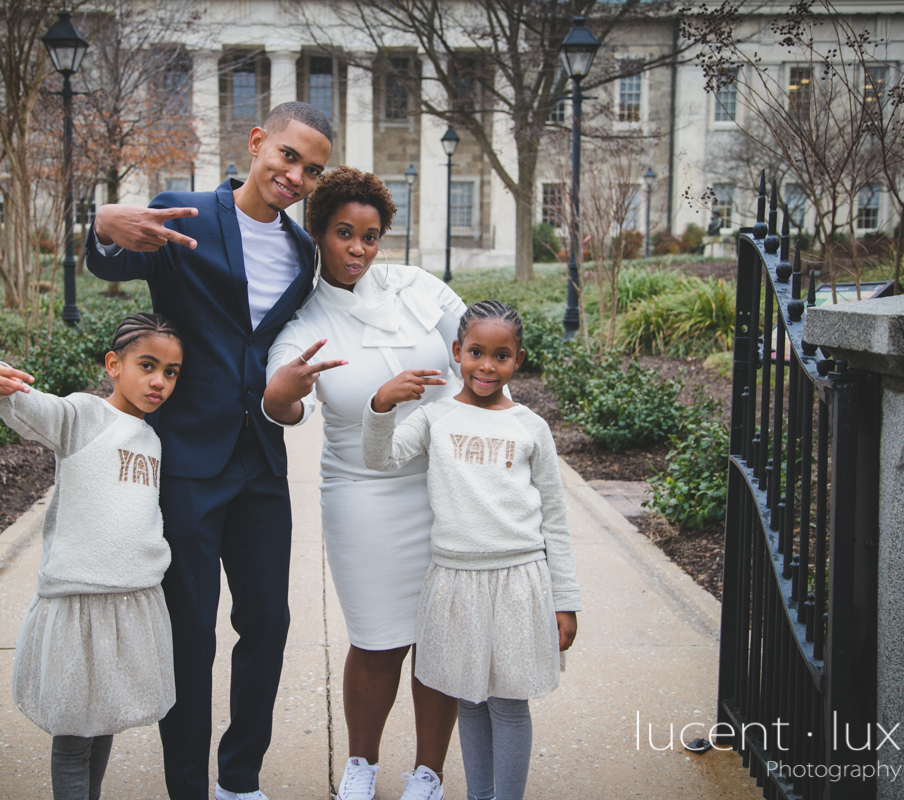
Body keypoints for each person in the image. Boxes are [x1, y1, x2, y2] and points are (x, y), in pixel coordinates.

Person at [85, 102, 334, 800]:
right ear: (257, 143)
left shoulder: (303, 251)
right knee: (189, 633)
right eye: (287, 156)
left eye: (311, 170)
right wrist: (102, 222)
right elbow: (113, 254)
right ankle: (187, 787)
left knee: (268, 622)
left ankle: (240, 779)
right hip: (188, 458)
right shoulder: (184, 213)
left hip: (262, 457)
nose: (295, 176)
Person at [263, 166, 466, 800]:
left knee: (440, 636)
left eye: (372, 236)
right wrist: (284, 394)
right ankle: (361, 763)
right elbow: (283, 403)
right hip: (363, 491)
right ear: (318, 233)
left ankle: (428, 771)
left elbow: (484, 361)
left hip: (444, 485)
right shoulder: (301, 320)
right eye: (345, 234)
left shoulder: (418, 289)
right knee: (377, 639)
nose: (358, 248)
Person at [360, 301, 582, 800]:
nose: (487, 366)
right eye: (476, 353)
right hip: (455, 579)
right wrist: (381, 405)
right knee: (469, 702)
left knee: (507, 703)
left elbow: (556, 520)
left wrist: (565, 599)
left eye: (501, 356)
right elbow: (380, 458)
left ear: (517, 360)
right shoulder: (435, 417)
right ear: (457, 352)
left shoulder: (531, 427)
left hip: (519, 580)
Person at [0, 313, 183, 800]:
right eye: (147, 365)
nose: (159, 381)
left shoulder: (152, 438)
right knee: (73, 735)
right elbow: (28, 408)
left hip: (131, 597)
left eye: (170, 372)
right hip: (79, 599)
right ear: (114, 364)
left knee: (103, 720)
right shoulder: (83, 416)